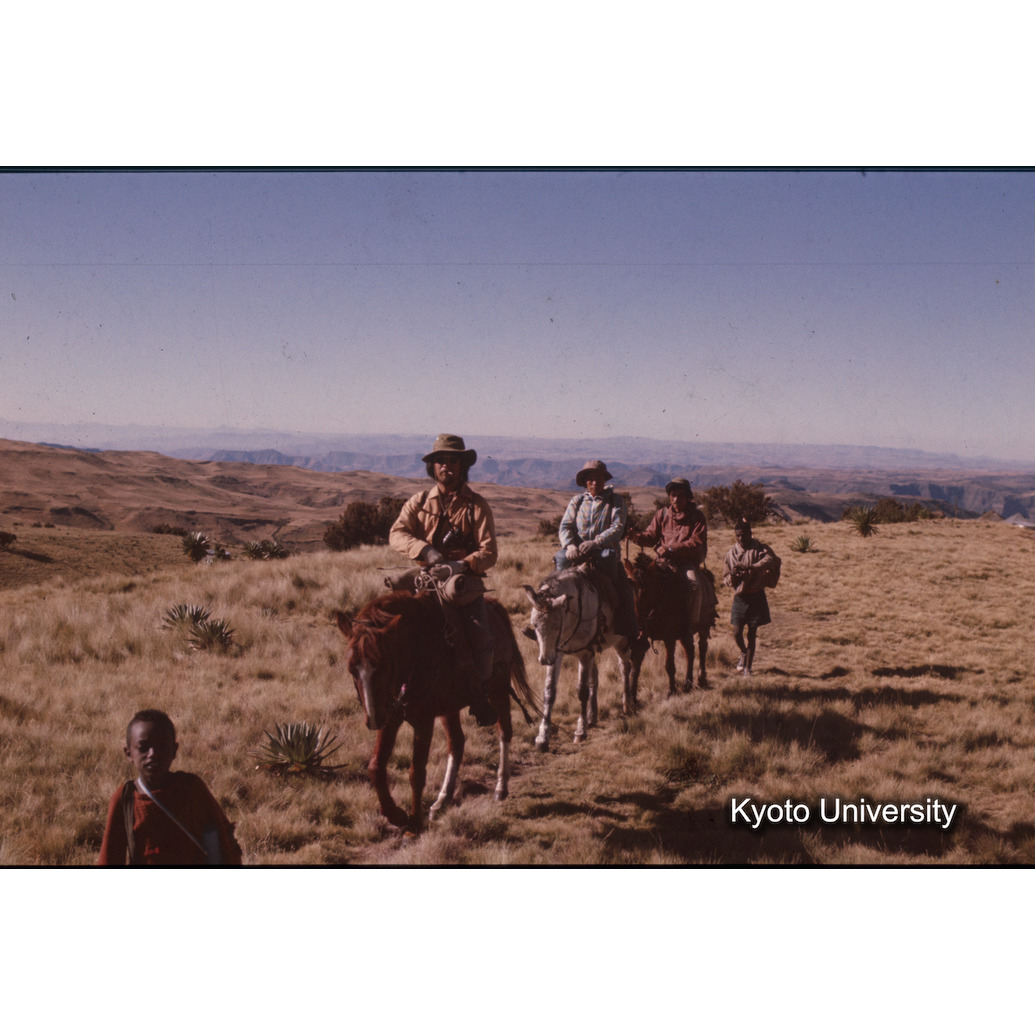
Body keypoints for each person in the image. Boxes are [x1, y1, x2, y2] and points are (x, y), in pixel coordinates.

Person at [389, 433, 499, 726]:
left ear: (462, 466)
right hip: (426, 576)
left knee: (481, 637)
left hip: (463, 581)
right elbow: (396, 533)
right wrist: (424, 550)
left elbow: (489, 552)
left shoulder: (476, 505)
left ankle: (480, 693)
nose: (446, 466)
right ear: (433, 466)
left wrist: (462, 564)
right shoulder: (419, 501)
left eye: (452, 460)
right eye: (440, 460)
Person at [98, 709, 242, 865]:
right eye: (143, 747)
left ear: (174, 750)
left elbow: (225, 841)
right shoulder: (125, 800)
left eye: (161, 746)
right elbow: (110, 858)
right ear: (128, 754)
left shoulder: (192, 789)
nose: (153, 754)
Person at [555, 460, 639, 643]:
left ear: (604, 480)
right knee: (558, 566)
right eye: (591, 479)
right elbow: (565, 526)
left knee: (622, 589)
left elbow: (617, 527)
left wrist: (596, 542)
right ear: (585, 481)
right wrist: (569, 545)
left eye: (599, 479)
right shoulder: (577, 501)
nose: (595, 483)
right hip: (577, 552)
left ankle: (629, 633)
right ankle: (551, 619)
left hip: (603, 552)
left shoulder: (615, 501)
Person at [627, 477, 708, 624]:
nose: (676, 499)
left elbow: (696, 542)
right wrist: (636, 537)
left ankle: (690, 624)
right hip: (662, 562)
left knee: (694, 587)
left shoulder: (697, 517)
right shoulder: (662, 514)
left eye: (680, 496)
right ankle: (643, 623)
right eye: (673, 495)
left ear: (688, 497)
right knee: (641, 585)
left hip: (685, 563)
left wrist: (670, 549)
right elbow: (651, 536)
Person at [721, 518, 780, 676]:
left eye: (743, 535)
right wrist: (733, 575)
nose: (741, 538)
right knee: (737, 632)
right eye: (738, 535)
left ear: (750, 534)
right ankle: (743, 652)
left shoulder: (760, 548)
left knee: (752, 633)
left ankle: (748, 667)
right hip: (740, 597)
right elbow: (725, 579)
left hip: (756, 595)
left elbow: (772, 560)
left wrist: (753, 567)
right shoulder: (731, 554)